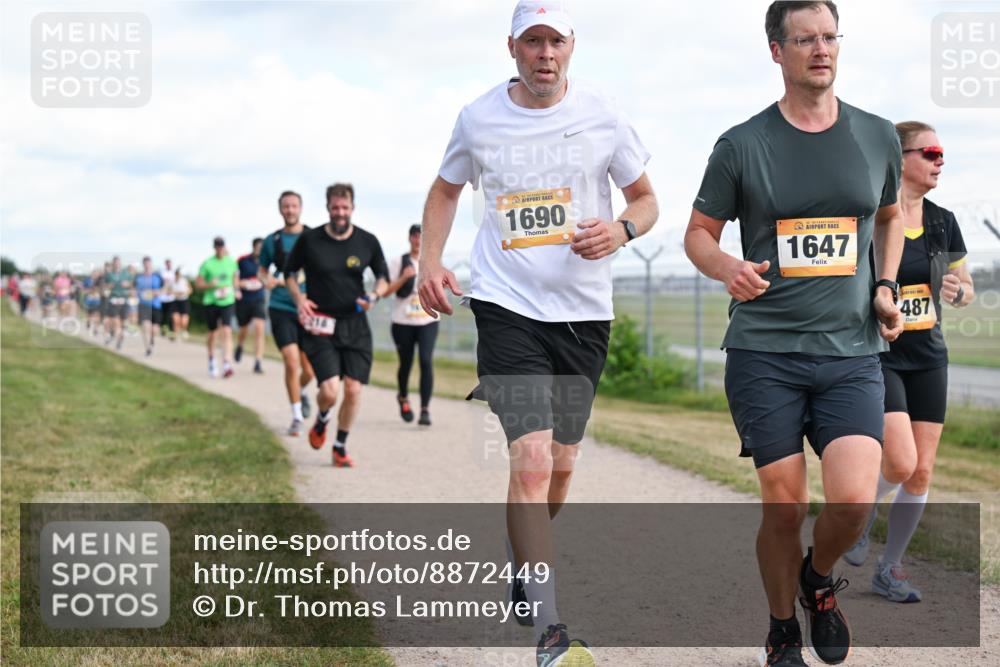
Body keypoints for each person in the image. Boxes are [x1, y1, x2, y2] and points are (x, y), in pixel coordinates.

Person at [417, 2, 658, 664]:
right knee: (529, 457)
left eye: (555, 40)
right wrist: (428, 262)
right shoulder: (479, 118)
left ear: (572, 46)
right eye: (532, 41)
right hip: (505, 304)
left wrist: (622, 229)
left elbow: (647, 199)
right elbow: (443, 192)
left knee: (559, 469)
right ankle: (551, 630)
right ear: (512, 48)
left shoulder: (604, 113)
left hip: (582, 316)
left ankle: (524, 553)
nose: (544, 52)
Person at [683, 3, 905, 665]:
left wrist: (885, 286)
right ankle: (782, 626)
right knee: (784, 504)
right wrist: (724, 265)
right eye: (804, 39)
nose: (820, 49)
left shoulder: (877, 135)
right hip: (764, 352)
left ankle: (815, 579)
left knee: (854, 499)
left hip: (852, 351)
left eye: (830, 36)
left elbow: (891, 216)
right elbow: (697, 232)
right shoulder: (742, 144)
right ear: (776, 51)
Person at [843, 122, 975, 603]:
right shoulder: (870, 218)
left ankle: (890, 568)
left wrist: (959, 292)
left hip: (928, 355)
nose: (941, 161)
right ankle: (856, 513)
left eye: (943, 153)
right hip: (879, 352)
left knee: (922, 471)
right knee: (900, 461)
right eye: (932, 152)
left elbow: (966, 288)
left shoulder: (943, 220)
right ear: (901, 159)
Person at [285, 183, 390, 468]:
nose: (340, 213)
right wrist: (299, 299)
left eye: (345, 208)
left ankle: (340, 446)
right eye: (335, 208)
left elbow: (383, 275)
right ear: (328, 208)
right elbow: (289, 273)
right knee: (330, 390)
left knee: (354, 389)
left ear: (352, 208)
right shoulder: (310, 240)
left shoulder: (367, 241)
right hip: (321, 326)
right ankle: (321, 419)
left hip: (355, 324)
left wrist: (375, 294)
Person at [259, 190, 316, 436]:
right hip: (281, 306)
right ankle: (295, 417)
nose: (290, 210)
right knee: (291, 362)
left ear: (300, 208)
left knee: (310, 371)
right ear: (280, 209)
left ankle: (301, 392)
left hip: (309, 307)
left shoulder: (314, 237)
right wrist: (267, 279)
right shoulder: (272, 241)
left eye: (294, 206)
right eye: (286, 207)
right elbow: (262, 271)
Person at [384, 224, 439, 426]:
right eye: (415, 236)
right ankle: (403, 397)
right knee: (406, 363)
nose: (418, 240)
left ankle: (425, 410)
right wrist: (404, 277)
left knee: (425, 361)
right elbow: (386, 291)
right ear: (410, 238)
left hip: (427, 320)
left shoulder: (433, 262)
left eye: (422, 236)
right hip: (402, 321)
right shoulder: (398, 261)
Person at [196, 237, 240, 378]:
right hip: (211, 301)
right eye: (217, 246)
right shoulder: (208, 264)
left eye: (222, 246)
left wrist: (236, 289)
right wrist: (210, 284)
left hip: (227, 300)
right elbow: (199, 284)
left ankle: (226, 363)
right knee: (213, 333)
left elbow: (235, 278)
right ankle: (211, 359)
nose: (220, 248)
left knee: (227, 330)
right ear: (214, 247)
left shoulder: (231, 262)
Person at [235, 237, 267, 374]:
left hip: (258, 299)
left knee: (259, 328)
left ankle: (258, 361)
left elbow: (267, 278)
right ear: (254, 247)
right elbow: (235, 278)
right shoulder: (242, 260)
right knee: (244, 329)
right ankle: (240, 346)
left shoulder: (265, 262)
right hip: (244, 300)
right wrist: (241, 285)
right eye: (258, 247)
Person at [134, 256, 163, 357]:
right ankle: (148, 348)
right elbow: (134, 289)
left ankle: (152, 341)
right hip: (143, 304)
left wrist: (157, 292)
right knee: (145, 326)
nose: (147, 266)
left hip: (155, 304)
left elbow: (164, 288)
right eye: (145, 264)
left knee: (155, 329)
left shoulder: (157, 276)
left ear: (151, 264)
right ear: (143, 265)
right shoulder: (139, 277)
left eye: (149, 264)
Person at [103, 257, 132, 350]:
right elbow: (104, 287)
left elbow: (132, 285)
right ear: (113, 264)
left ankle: (119, 341)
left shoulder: (126, 274)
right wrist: (108, 286)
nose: (117, 264)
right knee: (116, 321)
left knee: (123, 324)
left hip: (124, 300)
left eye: (118, 263)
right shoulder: (109, 275)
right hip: (113, 300)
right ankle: (113, 334)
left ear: (120, 263)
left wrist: (127, 285)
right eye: (115, 263)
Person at [171, 268, 192, 339]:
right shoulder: (172, 282)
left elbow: (190, 290)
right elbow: (168, 291)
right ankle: (175, 334)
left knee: (183, 320)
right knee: (175, 319)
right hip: (175, 301)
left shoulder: (184, 281)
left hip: (184, 301)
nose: (178, 276)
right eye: (177, 274)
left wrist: (184, 293)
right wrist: (174, 293)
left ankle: (184, 330)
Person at [160, 258, 177, 340]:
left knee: (170, 316)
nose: (169, 265)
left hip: (171, 298)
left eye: (170, 263)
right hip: (163, 298)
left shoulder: (174, 273)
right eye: (167, 263)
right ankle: (163, 330)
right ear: (165, 264)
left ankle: (172, 332)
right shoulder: (162, 273)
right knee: (163, 315)